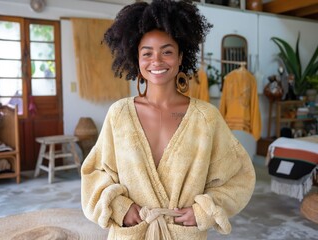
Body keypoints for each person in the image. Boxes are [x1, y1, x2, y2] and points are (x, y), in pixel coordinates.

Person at [81, 0, 256, 239]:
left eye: (167, 51)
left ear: (181, 56)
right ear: (136, 58)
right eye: (147, 53)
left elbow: (240, 175)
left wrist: (203, 211)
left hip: (183, 233)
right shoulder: (119, 114)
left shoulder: (206, 118)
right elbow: (94, 172)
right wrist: (120, 208)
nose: (157, 61)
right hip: (133, 232)